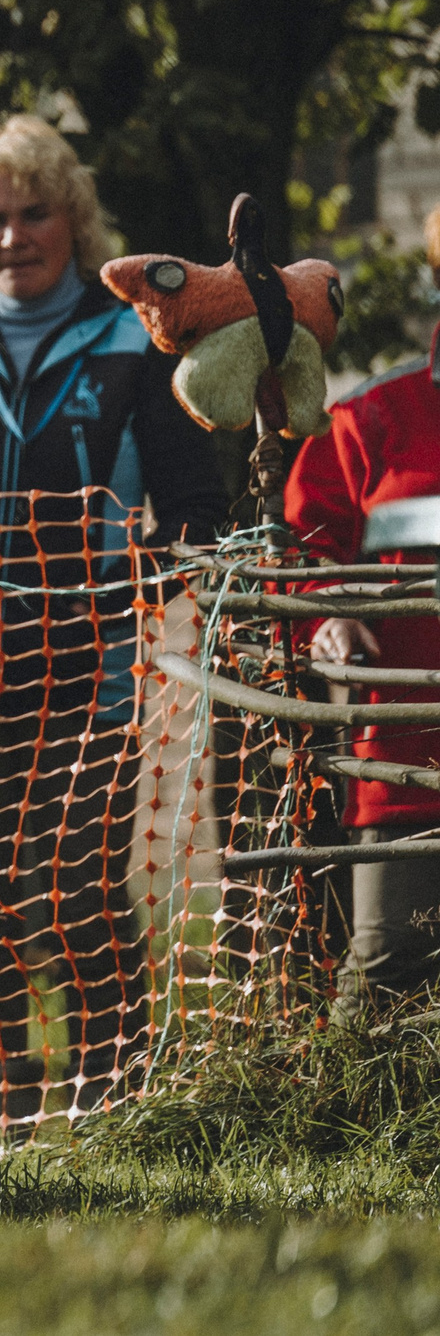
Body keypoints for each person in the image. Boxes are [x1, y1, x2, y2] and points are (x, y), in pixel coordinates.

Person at [0, 113, 223, 1149]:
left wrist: (150, 570)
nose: (12, 236)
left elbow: (193, 498)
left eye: (33, 214)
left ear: (75, 221)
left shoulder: (135, 345)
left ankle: (115, 1118)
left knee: (77, 895)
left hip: (89, 662)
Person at [286, 208, 440, 1016]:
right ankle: (351, 1144)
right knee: (382, 989)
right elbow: (303, 547)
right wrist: (325, 616)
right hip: (407, 778)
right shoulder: (372, 417)